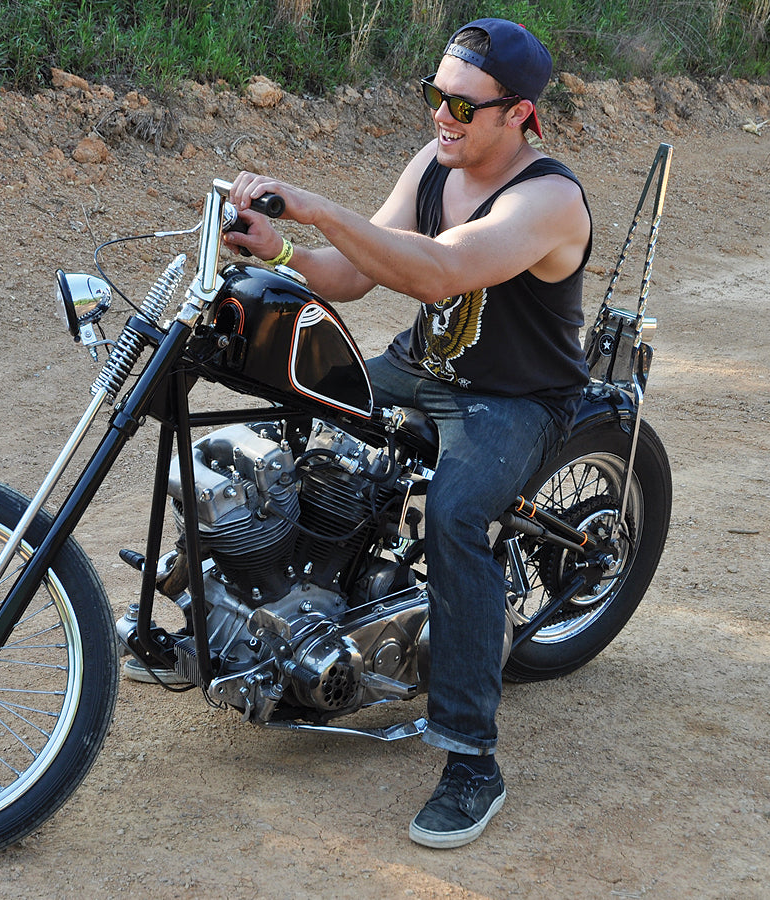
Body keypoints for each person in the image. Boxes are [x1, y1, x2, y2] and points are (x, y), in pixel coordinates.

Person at [224, 18, 592, 849]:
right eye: (435, 95)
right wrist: (281, 250)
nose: (440, 116)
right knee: (284, 409)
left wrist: (318, 205)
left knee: (455, 517)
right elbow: (352, 275)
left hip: (515, 398)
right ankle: (274, 614)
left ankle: (471, 760)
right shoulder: (435, 163)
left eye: (462, 105)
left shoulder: (548, 199)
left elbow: (438, 272)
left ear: (519, 114)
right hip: (418, 367)